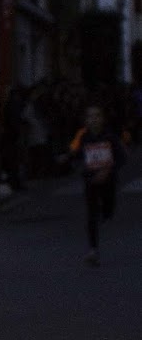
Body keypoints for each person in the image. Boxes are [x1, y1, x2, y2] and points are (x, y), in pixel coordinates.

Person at [70, 103, 126, 265]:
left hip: (108, 180)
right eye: (90, 117)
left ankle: (106, 213)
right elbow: (79, 156)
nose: (93, 120)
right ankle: (93, 249)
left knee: (108, 208)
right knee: (91, 214)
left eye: (97, 116)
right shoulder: (84, 137)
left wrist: (108, 170)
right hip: (91, 180)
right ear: (85, 120)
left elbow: (121, 157)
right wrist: (73, 161)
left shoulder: (110, 137)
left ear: (102, 119)